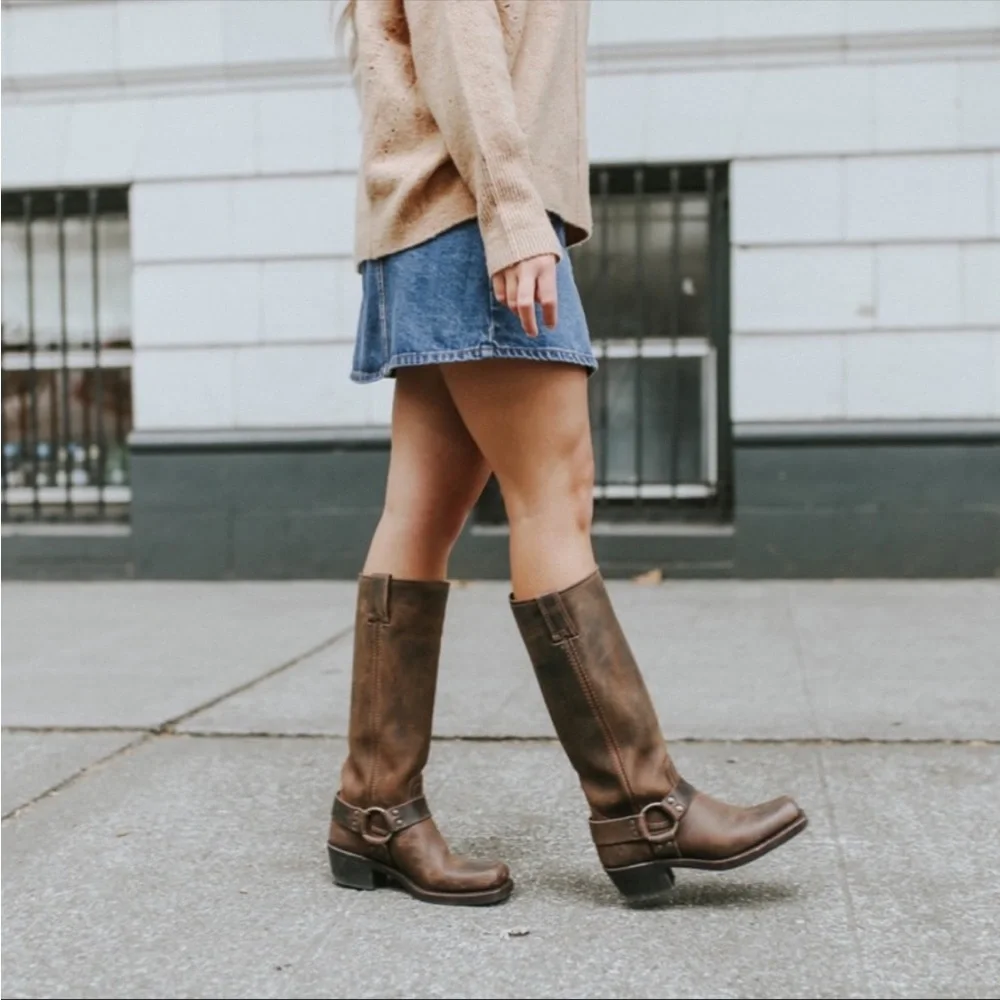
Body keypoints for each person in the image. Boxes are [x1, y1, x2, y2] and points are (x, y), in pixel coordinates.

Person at [327, 0, 807, 908]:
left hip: (439, 217)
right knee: (555, 493)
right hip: (473, 216)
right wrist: (514, 217)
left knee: (421, 513)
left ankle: (374, 810)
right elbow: (462, 43)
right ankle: (642, 806)